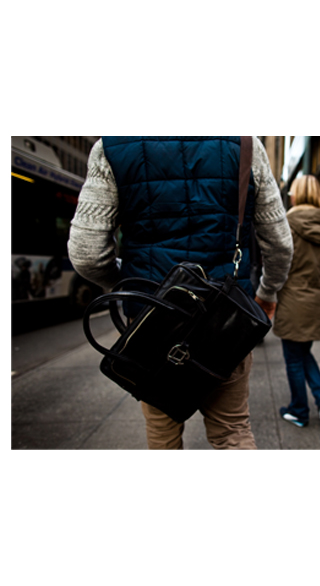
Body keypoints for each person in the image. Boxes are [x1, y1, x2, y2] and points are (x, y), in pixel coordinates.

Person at [68, 136, 292, 450]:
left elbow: (86, 253)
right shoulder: (246, 145)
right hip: (225, 322)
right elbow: (280, 244)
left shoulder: (112, 147)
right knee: (232, 432)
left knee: (163, 436)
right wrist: (268, 292)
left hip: (153, 322)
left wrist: (129, 287)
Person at [272, 175, 320, 428]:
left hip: (292, 300)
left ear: (296, 194)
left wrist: (269, 294)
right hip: (318, 300)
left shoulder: (287, 222)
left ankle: (299, 410)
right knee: (304, 353)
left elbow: (279, 263)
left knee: (293, 358)